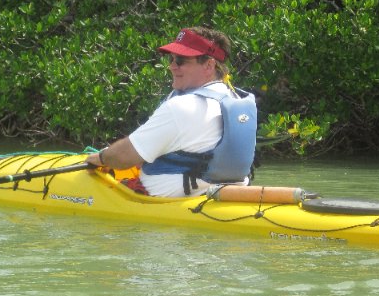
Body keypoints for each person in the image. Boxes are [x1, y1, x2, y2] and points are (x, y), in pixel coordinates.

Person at [85, 27, 257, 197]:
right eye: (172, 59)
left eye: (181, 60)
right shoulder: (235, 98)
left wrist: (102, 158)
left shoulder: (182, 106)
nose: (172, 67)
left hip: (172, 202)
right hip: (229, 193)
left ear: (209, 65)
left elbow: (123, 157)